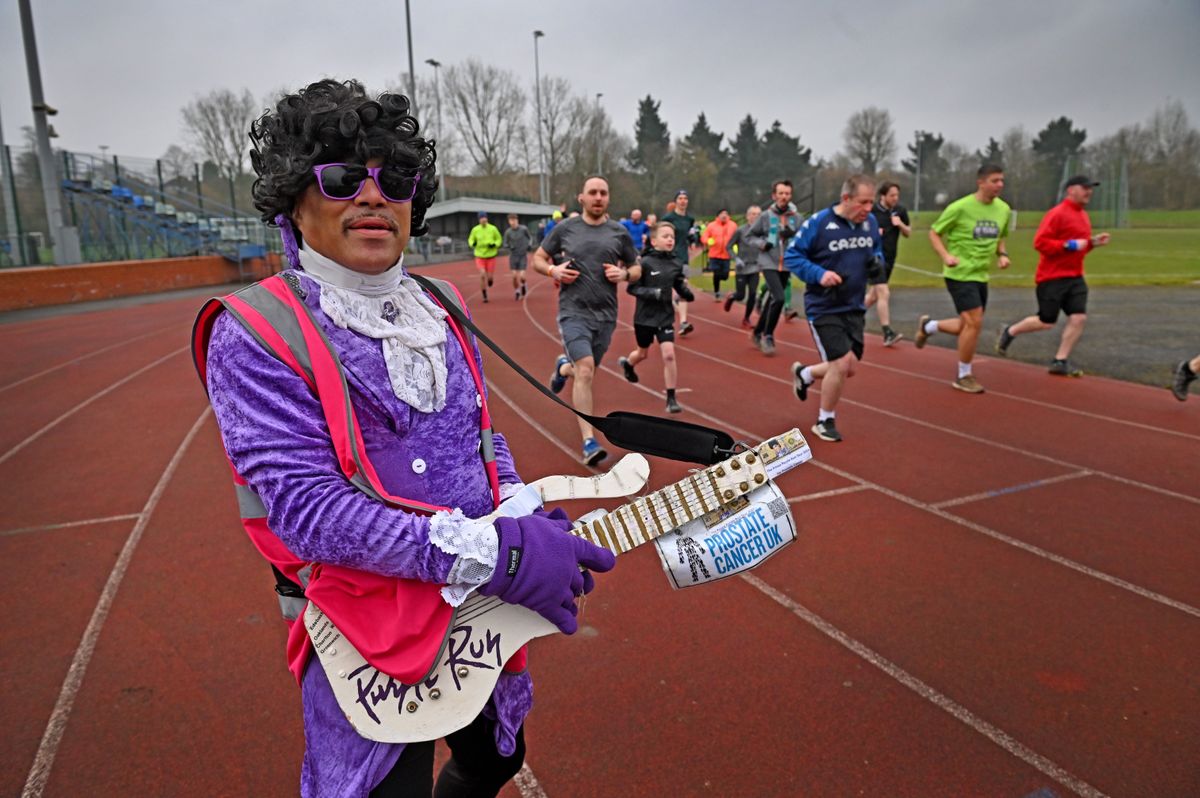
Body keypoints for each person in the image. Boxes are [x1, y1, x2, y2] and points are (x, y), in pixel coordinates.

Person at [194, 78, 615, 798]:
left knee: (496, 758)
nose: (372, 196)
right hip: (367, 625)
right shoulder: (254, 329)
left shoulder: (442, 304)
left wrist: (517, 506)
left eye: (394, 178)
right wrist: (501, 551)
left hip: (477, 597)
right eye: (340, 178)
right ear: (295, 196)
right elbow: (311, 514)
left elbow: (481, 439)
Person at [533, 175, 642, 465]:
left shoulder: (618, 232)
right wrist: (553, 271)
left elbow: (636, 268)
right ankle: (589, 441)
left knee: (585, 371)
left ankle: (562, 368)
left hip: (606, 315)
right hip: (573, 312)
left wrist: (625, 275)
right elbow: (539, 258)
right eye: (592, 192)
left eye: (603, 193)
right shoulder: (565, 229)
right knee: (586, 371)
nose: (598, 197)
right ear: (581, 197)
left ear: (608, 198)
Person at [787, 175, 883, 443]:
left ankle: (804, 374)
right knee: (840, 364)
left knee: (848, 367)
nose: (868, 209)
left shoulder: (870, 224)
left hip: (854, 305)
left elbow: (876, 250)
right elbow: (792, 256)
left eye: (871, 203)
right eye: (863, 202)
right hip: (824, 305)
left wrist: (877, 264)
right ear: (846, 199)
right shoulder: (819, 223)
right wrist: (819, 274)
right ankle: (824, 420)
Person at [995, 175, 1110, 376]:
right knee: (1046, 321)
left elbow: (1079, 250)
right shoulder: (1057, 214)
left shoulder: (1083, 216)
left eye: (1091, 188)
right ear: (1070, 190)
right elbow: (1040, 243)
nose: (1089, 191)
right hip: (1052, 277)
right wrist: (1069, 244)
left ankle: (1060, 360)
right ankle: (1010, 332)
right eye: (1084, 187)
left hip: (1075, 276)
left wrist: (1092, 243)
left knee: (1079, 318)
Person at [913, 164, 1012, 393]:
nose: (1000, 185)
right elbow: (934, 232)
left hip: (980, 274)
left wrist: (1003, 254)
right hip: (959, 273)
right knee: (974, 323)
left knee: (967, 325)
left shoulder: (1004, 210)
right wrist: (946, 255)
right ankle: (963, 375)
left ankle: (929, 327)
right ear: (981, 182)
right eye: (995, 181)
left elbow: (1001, 237)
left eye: (1001, 181)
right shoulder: (960, 207)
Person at [618, 222, 695, 413]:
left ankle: (671, 398)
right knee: (642, 353)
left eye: (672, 237)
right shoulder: (644, 263)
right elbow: (632, 288)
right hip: (644, 318)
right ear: (654, 241)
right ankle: (628, 364)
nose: (670, 239)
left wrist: (685, 292)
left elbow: (677, 284)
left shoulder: (677, 262)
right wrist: (654, 293)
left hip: (665, 317)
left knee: (669, 354)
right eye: (665, 236)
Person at [746, 180, 804, 356]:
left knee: (773, 300)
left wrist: (794, 235)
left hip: (786, 263)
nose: (784, 197)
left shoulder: (797, 218)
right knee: (779, 298)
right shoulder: (765, 216)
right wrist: (763, 244)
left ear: (790, 196)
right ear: (774, 196)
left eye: (787, 193)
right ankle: (768, 335)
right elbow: (750, 237)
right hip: (768, 262)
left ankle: (757, 332)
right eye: (780, 193)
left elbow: (804, 238)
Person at [868, 181, 911, 346]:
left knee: (873, 297)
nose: (895, 198)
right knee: (883, 293)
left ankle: (849, 318)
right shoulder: (872, 211)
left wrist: (900, 224)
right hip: (874, 258)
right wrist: (874, 233)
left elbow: (908, 233)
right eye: (892, 195)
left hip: (891, 257)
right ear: (883, 196)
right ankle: (887, 333)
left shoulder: (900, 211)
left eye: (897, 195)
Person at [662, 190, 697, 335]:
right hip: (669, 257)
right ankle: (663, 321)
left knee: (684, 287)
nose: (683, 201)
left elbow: (691, 233)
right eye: (680, 198)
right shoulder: (669, 218)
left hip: (684, 258)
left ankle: (683, 322)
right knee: (665, 288)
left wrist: (693, 241)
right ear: (675, 201)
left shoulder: (690, 219)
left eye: (685, 198)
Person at [724, 205, 763, 328]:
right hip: (742, 267)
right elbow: (728, 247)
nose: (755, 216)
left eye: (758, 214)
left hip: (755, 267)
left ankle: (746, 318)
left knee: (752, 293)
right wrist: (736, 258)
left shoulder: (762, 232)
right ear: (747, 216)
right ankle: (731, 297)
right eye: (753, 214)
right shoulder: (740, 231)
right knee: (741, 295)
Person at [702, 209, 738, 300]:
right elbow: (704, 236)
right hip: (714, 255)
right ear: (718, 216)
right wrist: (708, 241)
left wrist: (736, 247)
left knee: (725, 276)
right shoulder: (711, 225)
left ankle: (718, 287)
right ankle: (717, 292)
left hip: (726, 255)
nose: (724, 215)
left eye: (726, 213)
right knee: (716, 273)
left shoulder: (733, 225)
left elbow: (738, 236)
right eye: (722, 213)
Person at [468, 211, 503, 302]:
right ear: (479, 220)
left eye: (484, 217)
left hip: (491, 256)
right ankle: (484, 295)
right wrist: (473, 243)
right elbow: (471, 239)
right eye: (481, 218)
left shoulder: (493, 229)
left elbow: (499, 239)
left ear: (487, 218)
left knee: (489, 277)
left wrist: (494, 244)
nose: (483, 219)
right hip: (480, 256)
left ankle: (490, 280)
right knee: (482, 274)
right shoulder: (475, 230)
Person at [502, 213, 533, 300]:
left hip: (522, 255)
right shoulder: (508, 232)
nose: (513, 222)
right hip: (513, 256)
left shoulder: (523, 229)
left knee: (522, 276)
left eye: (514, 220)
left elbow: (530, 238)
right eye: (511, 220)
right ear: (509, 221)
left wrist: (529, 245)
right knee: (514, 276)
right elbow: (504, 243)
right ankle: (517, 291)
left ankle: (523, 285)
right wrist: (509, 246)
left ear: (517, 220)